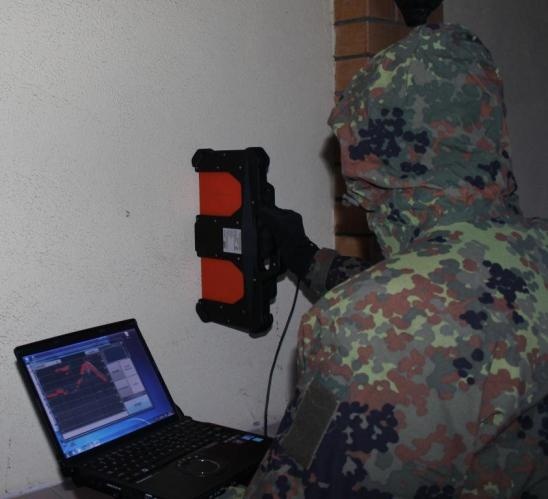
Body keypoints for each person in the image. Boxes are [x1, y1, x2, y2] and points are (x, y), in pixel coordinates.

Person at [243, 23, 548, 497]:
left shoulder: (366, 324)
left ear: (371, 167)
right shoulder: (532, 249)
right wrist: (306, 258)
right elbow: (461, 294)